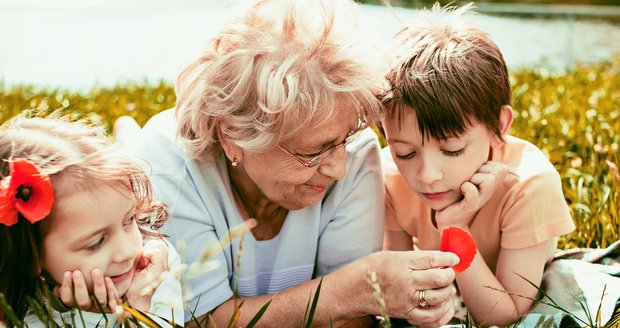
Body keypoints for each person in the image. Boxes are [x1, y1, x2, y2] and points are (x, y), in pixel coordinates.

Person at [123, 0, 460, 326]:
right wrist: (357, 288)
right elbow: (195, 319)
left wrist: (359, 298)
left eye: (344, 139)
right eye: (314, 151)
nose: (339, 168)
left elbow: (353, 322)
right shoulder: (169, 166)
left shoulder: (357, 151)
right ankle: (124, 135)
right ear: (232, 136)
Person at [379, 4, 576, 326]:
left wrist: (454, 228)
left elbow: (502, 316)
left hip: (498, 297)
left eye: (453, 150)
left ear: (499, 126)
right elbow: (400, 295)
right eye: (405, 153)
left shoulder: (529, 185)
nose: (427, 177)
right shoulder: (388, 175)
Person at [0, 116, 183, 327]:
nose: (127, 251)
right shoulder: (18, 313)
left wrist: (140, 307)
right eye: (96, 243)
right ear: (30, 255)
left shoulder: (154, 271)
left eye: (129, 219)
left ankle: (127, 131)